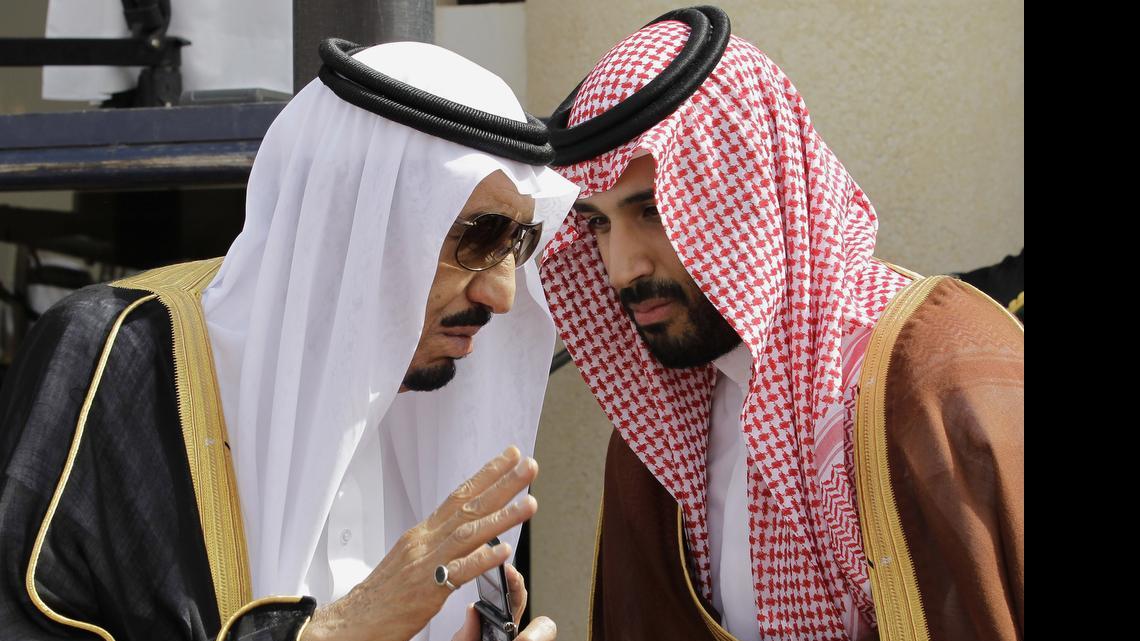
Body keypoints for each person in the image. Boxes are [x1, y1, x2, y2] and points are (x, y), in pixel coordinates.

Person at [0, 39, 577, 641]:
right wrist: (333, 632)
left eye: (516, 243)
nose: (502, 296)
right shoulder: (123, 355)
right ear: (362, 213)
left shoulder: (443, 407)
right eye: (478, 234)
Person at [539, 7, 1023, 641]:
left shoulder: (931, 375)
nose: (623, 267)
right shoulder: (659, 422)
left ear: (749, 195)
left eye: (653, 211)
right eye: (597, 224)